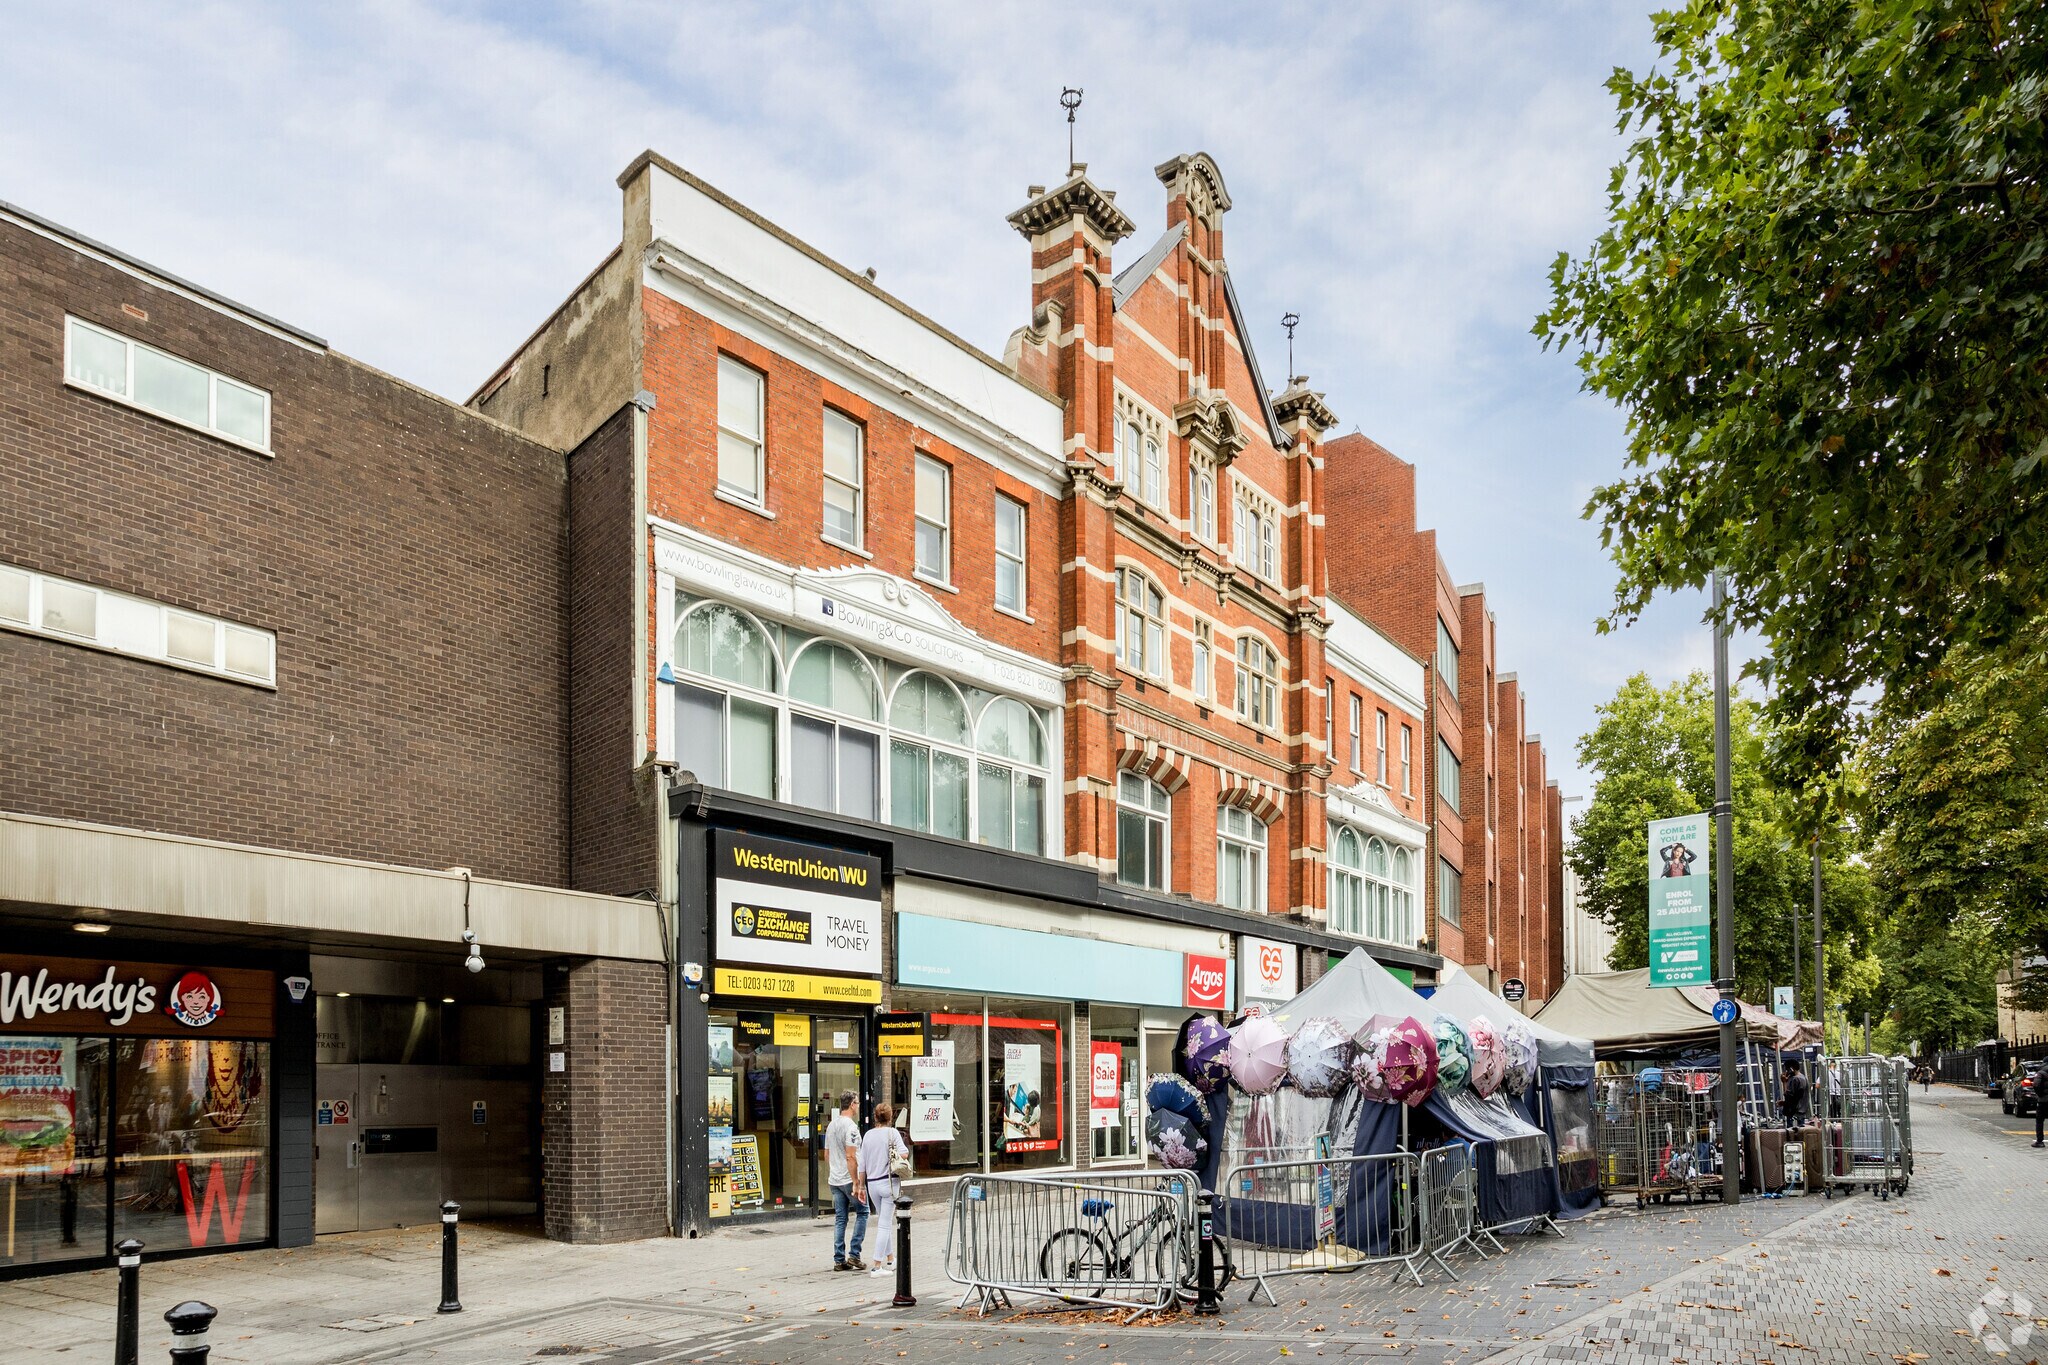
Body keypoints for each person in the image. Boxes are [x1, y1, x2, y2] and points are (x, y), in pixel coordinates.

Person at [859, 1103, 910, 1276]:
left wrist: (860, 1186)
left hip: (872, 1184)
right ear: (890, 1118)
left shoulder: (868, 1135)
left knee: (883, 1220)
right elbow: (904, 1154)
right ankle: (877, 1266)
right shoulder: (892, 1133)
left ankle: (890, 1259)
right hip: (888, 1183)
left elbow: (862, 1164)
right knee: (885, 1224)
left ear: (875, 1117)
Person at [825, 1090, 866, 1271]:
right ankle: (854, 1255)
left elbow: (826, 1154)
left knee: (841, 1218)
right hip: (848, 1179)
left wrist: (834, 1170)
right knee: (863, 1212)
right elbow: (851, 1156)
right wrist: (856, 1182)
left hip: (834, 1180)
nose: (858, 1106)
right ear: (851, 1105)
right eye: (857, 1103)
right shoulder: (851, 1128)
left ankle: (839, 1259)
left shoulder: (831, 1125)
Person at [1781, 1059, 1810, 1127]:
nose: (1786, 1072)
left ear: (1791, 1068)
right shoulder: (1803, 1077)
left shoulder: (1795, 1079)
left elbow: (1789, 1095)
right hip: (1801, 1111)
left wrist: (1784, 1082)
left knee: (1792, 1131)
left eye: (1787, 1070)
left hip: (1794, 1112)